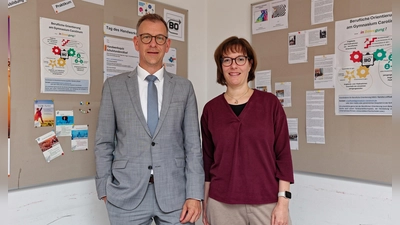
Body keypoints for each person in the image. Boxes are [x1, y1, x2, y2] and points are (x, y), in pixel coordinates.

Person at [94, 13, 204, 225]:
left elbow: (192, 146)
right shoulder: (113, 87)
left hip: (176, 196)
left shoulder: (184, 88)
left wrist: (194, 194)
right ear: (136, 42)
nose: (153, 44)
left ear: (167, 44)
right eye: (146, 37)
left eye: (159, 38)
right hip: (126, 196)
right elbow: (103, 143)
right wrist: (104, 188)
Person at [201, 36, 294, 225]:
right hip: (221, 204)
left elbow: (283, 156)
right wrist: (206, 204)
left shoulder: (270, 104)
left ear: (250, 64)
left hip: (267, 202)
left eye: (240, 59)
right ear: (221, 66)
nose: (233, 66)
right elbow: (207, 162)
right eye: (227, 60)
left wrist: (283, 203)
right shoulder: (211, 109)